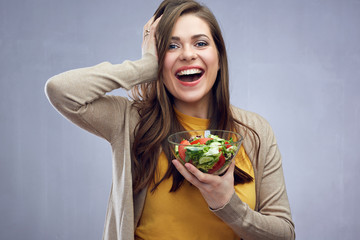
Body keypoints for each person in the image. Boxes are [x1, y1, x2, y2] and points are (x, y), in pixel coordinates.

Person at [45, 0, 295, 239]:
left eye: (200, 43)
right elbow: (61, 90)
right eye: (172, 46)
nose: (187, 55)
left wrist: (226, 204)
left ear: (219, 58)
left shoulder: (254, 131)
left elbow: (284, 234)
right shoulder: (131, 120)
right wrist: (146, 65)